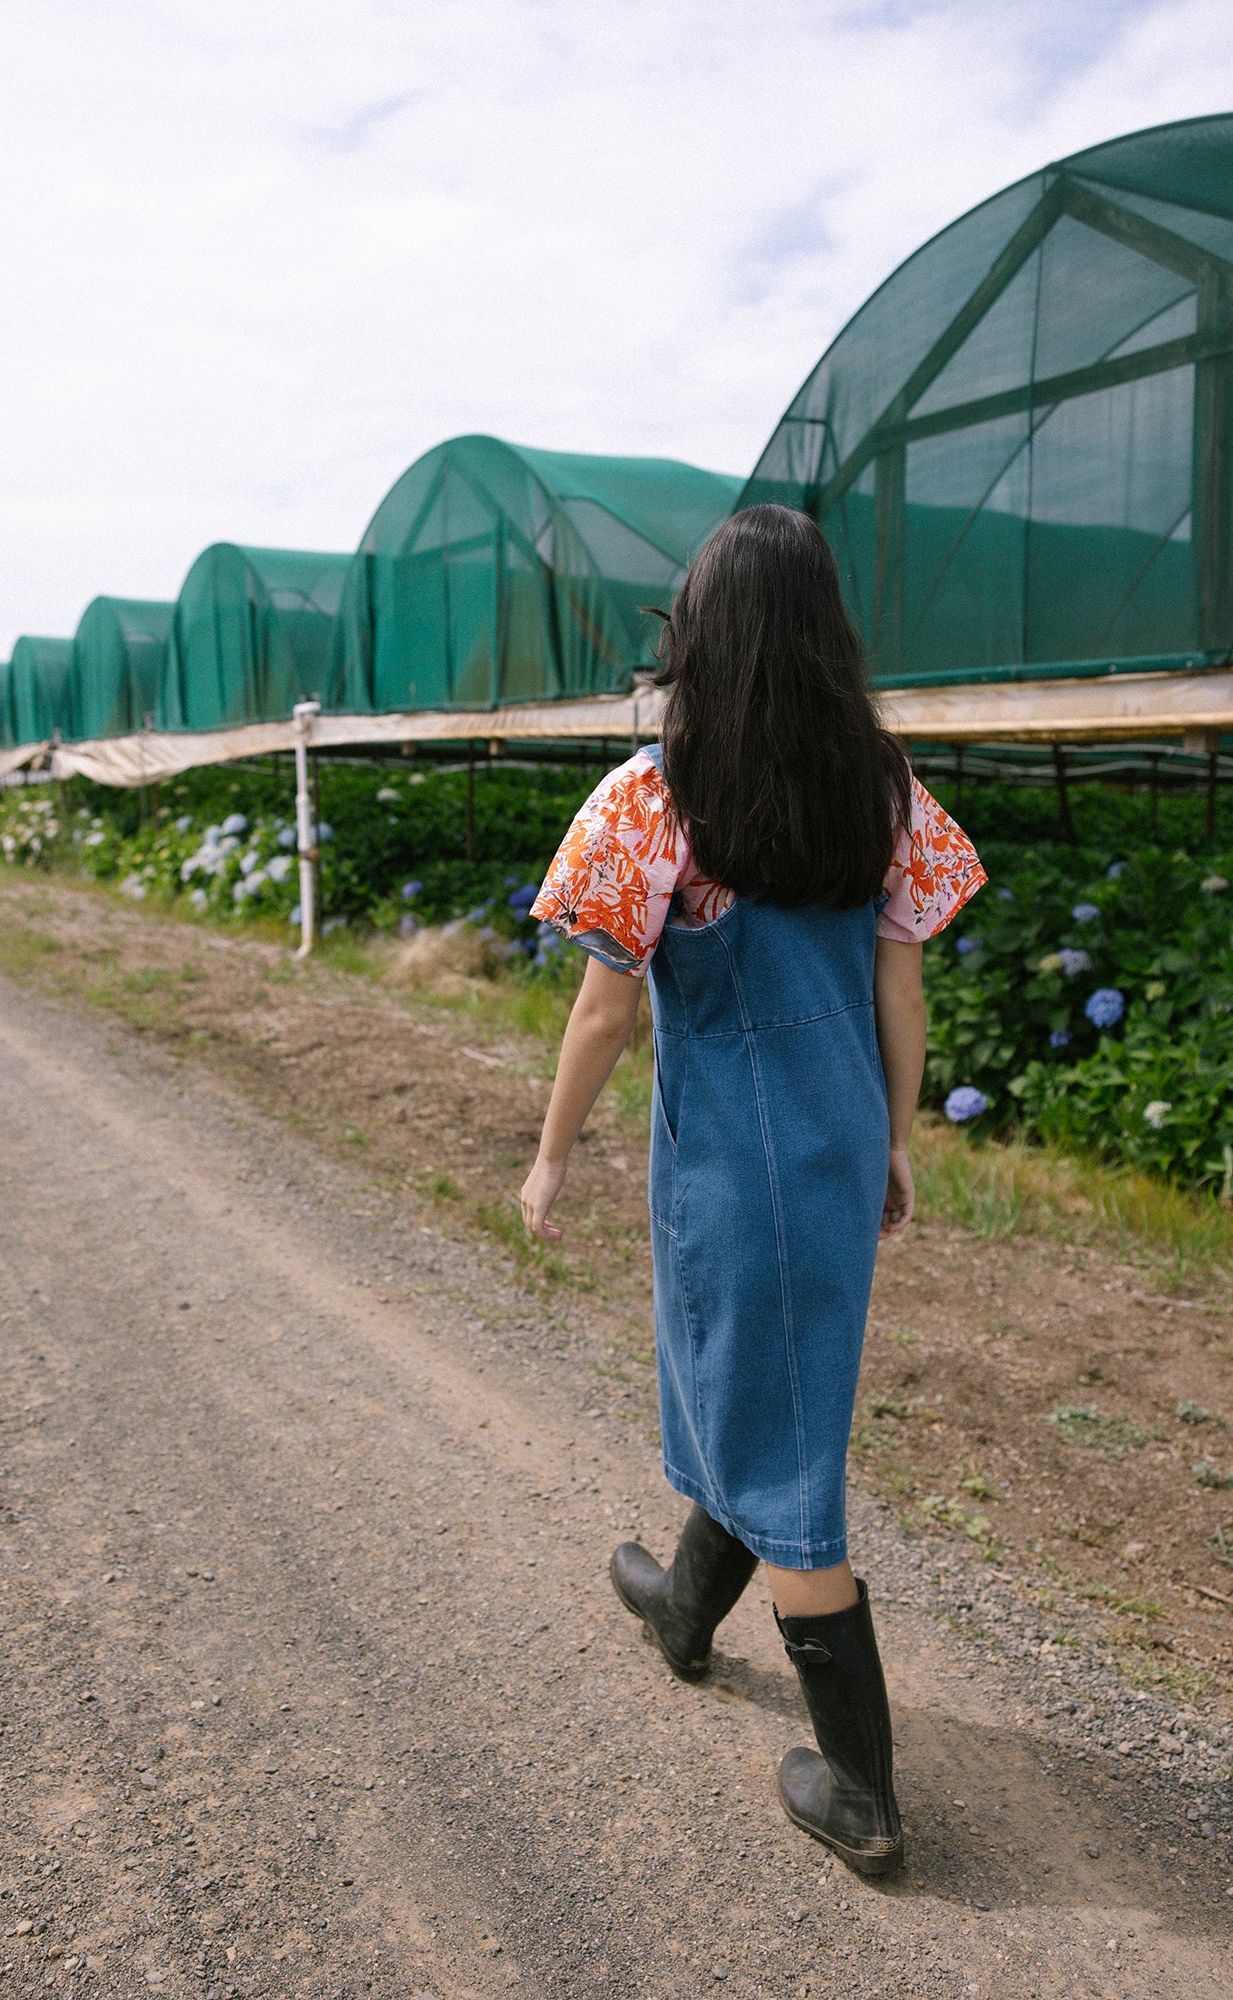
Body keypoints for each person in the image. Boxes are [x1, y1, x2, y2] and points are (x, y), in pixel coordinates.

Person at [520, 504, 984, 1876]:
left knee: (779, 1440)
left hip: (735, 1165)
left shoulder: (656, 795)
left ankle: (866, 1795)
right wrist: (892, 1138)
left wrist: (549, 1156)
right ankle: (681, 1609)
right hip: (837, 1142)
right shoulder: (881, 784)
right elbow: (901, 979)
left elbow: (606, 1015)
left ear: (702, 634)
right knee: (754, 1381)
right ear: (827, 633)